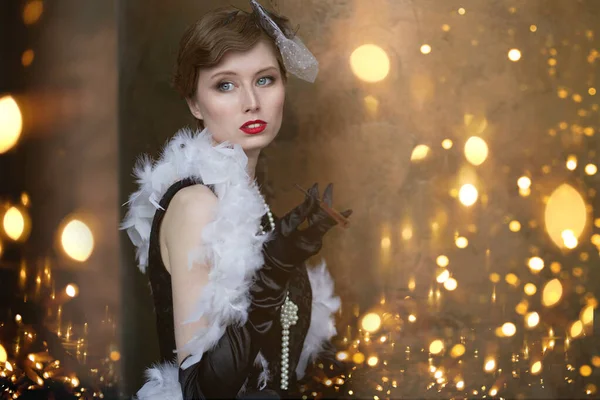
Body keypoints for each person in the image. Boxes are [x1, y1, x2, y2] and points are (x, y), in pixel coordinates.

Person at [121, 1, 352, 399]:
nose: (251, 101)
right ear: (195, 102)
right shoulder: (196, 206)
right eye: (225, 84)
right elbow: (201, 390)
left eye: (265, 80)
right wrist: (277, 263)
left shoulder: (256, 206)